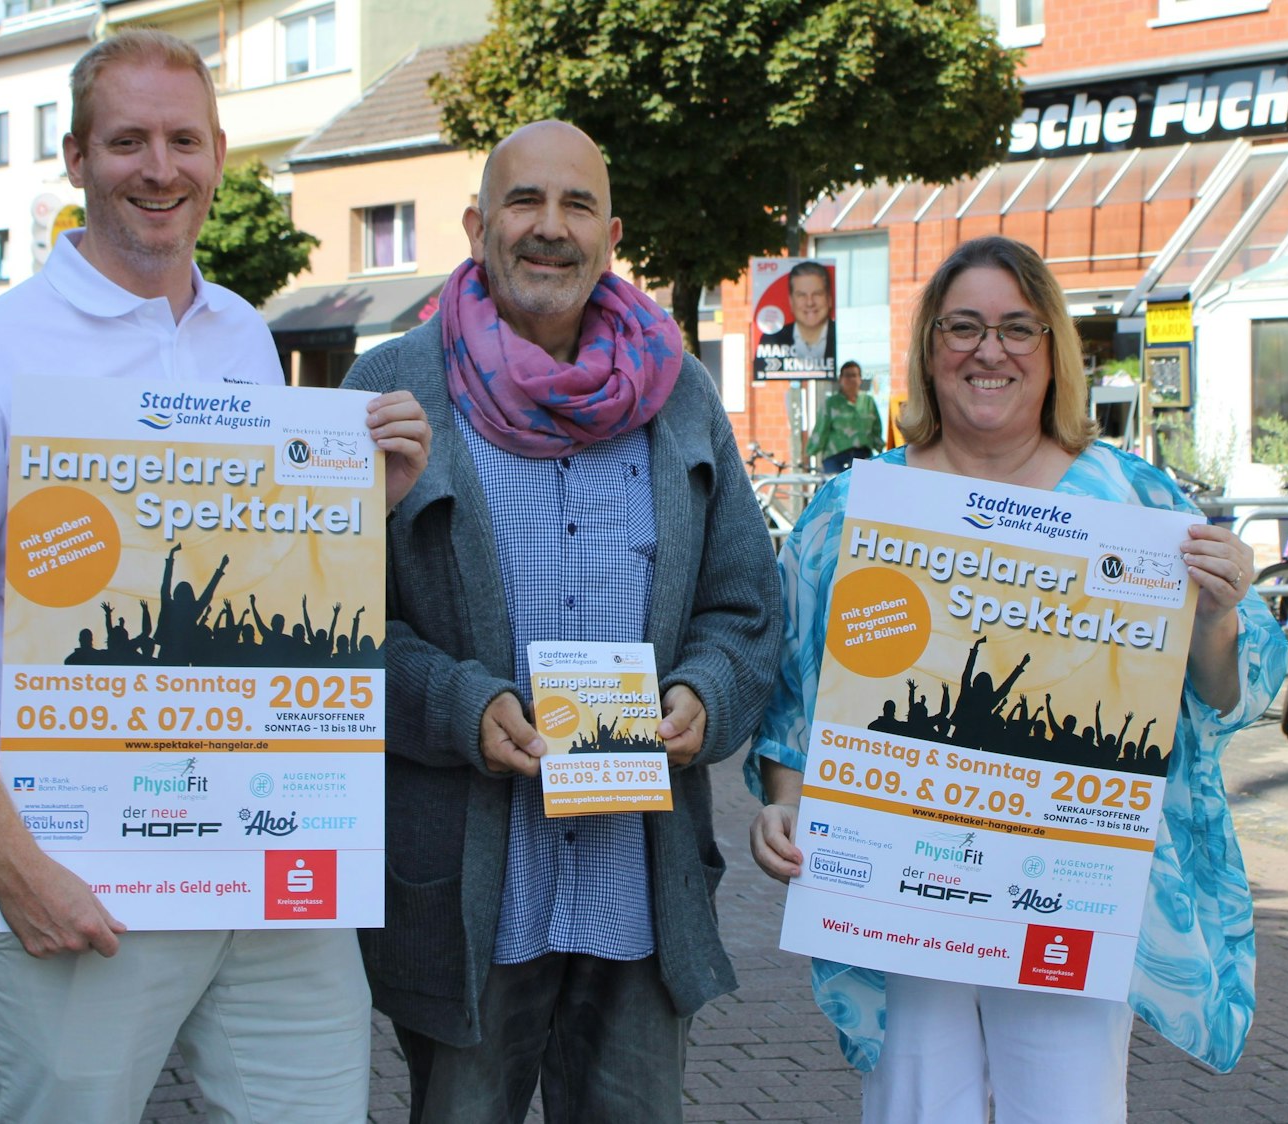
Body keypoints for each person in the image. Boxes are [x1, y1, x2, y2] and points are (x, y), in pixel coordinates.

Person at [0, 29, 428, 1123]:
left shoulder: (243, 341)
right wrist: (10, 862)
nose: (158, 167)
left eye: (182, 139)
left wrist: (367, 503)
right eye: (127, 140)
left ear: (220, 154)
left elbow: (255, 578)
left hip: (272, 871)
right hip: (78, 873)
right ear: (75, 159)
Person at [744, 235, 1287, 1123]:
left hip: (1065, 894)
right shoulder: (854, 509)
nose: (988, 351)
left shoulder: (1135, 503)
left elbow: (1226, 693)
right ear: (928, 349)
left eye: (1015, 329)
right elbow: (795, 699)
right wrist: (785, 799)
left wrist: (1219, 612)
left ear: (1053, 350)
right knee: (920, 1108)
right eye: (962, 327)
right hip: (903, 887)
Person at [341, 119, 780, 1124]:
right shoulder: (390, 389)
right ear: (476, 224)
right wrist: (458, 702)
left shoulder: (679, 395)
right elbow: (330, 634)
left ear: (611, 231)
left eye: (576, 204)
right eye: (524, 202)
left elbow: (747, 603)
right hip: (467, 893)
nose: (550, 228)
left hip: (638, 881)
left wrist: (705, 692)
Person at [805, 359, 884, 473]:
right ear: (840, 379)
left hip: (863, 457)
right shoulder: (831, 403)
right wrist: (808, 454)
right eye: (847, 376)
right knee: (837, 489)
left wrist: (883, 452)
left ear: (860, 379)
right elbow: (821, 430)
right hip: (836, 458)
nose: (851, 379)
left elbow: (877, 430)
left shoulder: (868, 402)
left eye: (854, 375)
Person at [760, 259, 836, 375]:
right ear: (791, 302)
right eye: (801, 295)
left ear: (829, 299)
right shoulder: (770, 340)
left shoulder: (840, 337)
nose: (810, 302)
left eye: (817, 294)